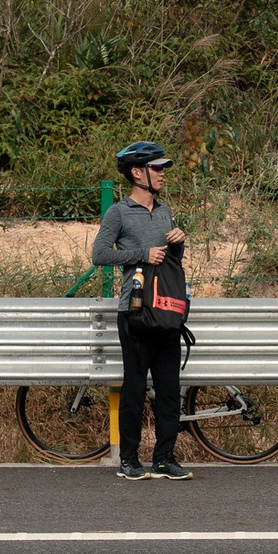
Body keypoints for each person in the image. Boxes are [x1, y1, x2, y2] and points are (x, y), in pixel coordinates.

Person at [91, 141, 190, 481]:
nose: (162, 173)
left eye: (163, 168)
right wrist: (141, 254)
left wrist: (178, 244)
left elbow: (172, 262)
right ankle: (129, 460)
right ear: (137, 172)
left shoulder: (164, 211)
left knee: (169, 387)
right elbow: (100, 255)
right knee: (134, 386)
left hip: (167, 308)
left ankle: (164, 458)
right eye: (157, 168)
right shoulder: (118, 212)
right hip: (134, 310)